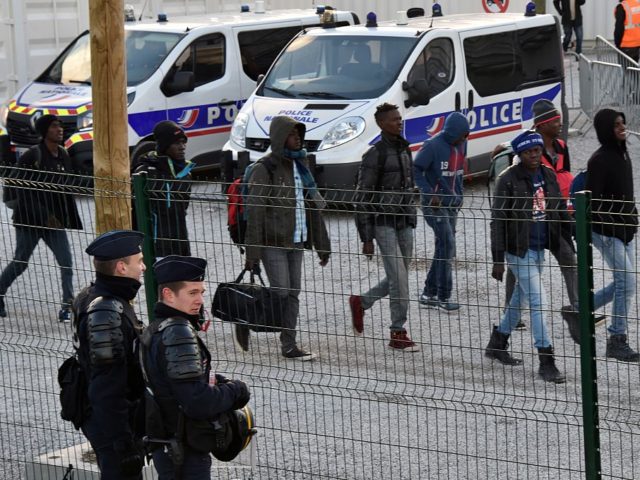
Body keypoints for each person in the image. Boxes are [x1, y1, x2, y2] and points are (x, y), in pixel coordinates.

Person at [141, 255, 251, 479]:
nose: (200, 300)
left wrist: (216, 381)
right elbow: (197, 402)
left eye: (201, 292)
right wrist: (236, 391)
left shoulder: (157, 328)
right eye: (192, 293)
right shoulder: (178, 333)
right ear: (168, 294)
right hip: (184, 450)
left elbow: (174, 383)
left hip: (168, 445)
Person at [486, 130, 574, 384]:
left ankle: (498, 342)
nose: (534, 155)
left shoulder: (548, 175)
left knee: (519, 300)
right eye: (528, 152)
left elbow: (557, 209)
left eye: (536, 150)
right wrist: (498, 259)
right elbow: (498, 221)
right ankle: (546, 360)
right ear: (519, 154)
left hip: (538, 248)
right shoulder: (508, 180)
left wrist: (569, 236)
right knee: (538, 300)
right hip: (518, 251)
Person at [243, 115, 331, 360]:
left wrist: (322, 247)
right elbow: (255, 212)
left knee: (293, 293)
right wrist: (253, 253)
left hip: (297, 241)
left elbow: (312, 209)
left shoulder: (302, 166)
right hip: (273, 243)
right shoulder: (265, 168)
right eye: (292, 134)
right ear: (280, 138)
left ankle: (289, 344)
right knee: (281, 291)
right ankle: (249, 319)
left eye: (299, 134)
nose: (298, 139)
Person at [503, 100, 581, 337]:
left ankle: (577, 309)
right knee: (516, 269)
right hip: (532, 222)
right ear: (542, 125)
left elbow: (563, 180)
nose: (560, 124)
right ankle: (511, 312)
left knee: (569, 260)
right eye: (555, 120)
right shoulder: (526, 153)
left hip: (556, 219)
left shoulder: (561, 146)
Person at [73, 230, 147, 479]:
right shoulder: (106, 313)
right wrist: (123, 444)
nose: (144, 267)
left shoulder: (95, 296)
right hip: (110, 422)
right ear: (121, 268)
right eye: (139, 261)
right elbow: (106, 388)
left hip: (109, 417)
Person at [349, 103, 419, 352]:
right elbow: (362, 197)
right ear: (381, 124)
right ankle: (397, 331)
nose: (399, 122)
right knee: (399, 279)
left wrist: (411, 214)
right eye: (393, 120)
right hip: (383, 223)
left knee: (398, 276)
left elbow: (408, 187)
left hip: (404, 221)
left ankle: (362, 301)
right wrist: (366, 237)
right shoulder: (374, 154)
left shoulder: (404, 150)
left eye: (400, 119)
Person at [0, 114, 82, 322]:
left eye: (61, 126)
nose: (60, 129)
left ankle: (67, 306)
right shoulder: (32, 156)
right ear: (45, 131)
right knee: (20, 262)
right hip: (29, 220)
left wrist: (66, 218)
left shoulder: (63, 155)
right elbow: (22, 191)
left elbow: (66, 189)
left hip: (54, 222)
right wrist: (46, 215)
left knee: (66, 264)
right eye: (55, 126)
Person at [585, 108, 639, 362]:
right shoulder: (599, 160)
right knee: (626, 283)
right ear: (606, 128)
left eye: (622, 122)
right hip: (608, 233)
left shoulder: (623, 154)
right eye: (616, 124)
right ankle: (617, 338)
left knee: (624, 283)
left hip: (625, 231)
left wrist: (631, 220)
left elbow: (626, 194)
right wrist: (614, 228)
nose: (622, 126)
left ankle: (581, 310)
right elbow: (593, 205)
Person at [413, 111, 470, 312]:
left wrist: (460, 195)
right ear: (453, 132)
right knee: (448, 244)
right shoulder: (432, 146)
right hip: (434, 205)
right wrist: (429, 193)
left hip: (452, 204)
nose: (465, 139)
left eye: (467, 135)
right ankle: (444, 297)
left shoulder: (462, 143)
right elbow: (416, 170)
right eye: (463, 135)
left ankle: (429, 293)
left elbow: (460, 171)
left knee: (444, 247)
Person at [132, 120, 194, 257]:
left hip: (181, 243)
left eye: (184, 142)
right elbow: (135, 212)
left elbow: (183, 208)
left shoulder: (185, 173)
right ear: (165, 146)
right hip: (154, 246)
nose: (182, 147)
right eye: (177, 143)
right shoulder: (145, 172)